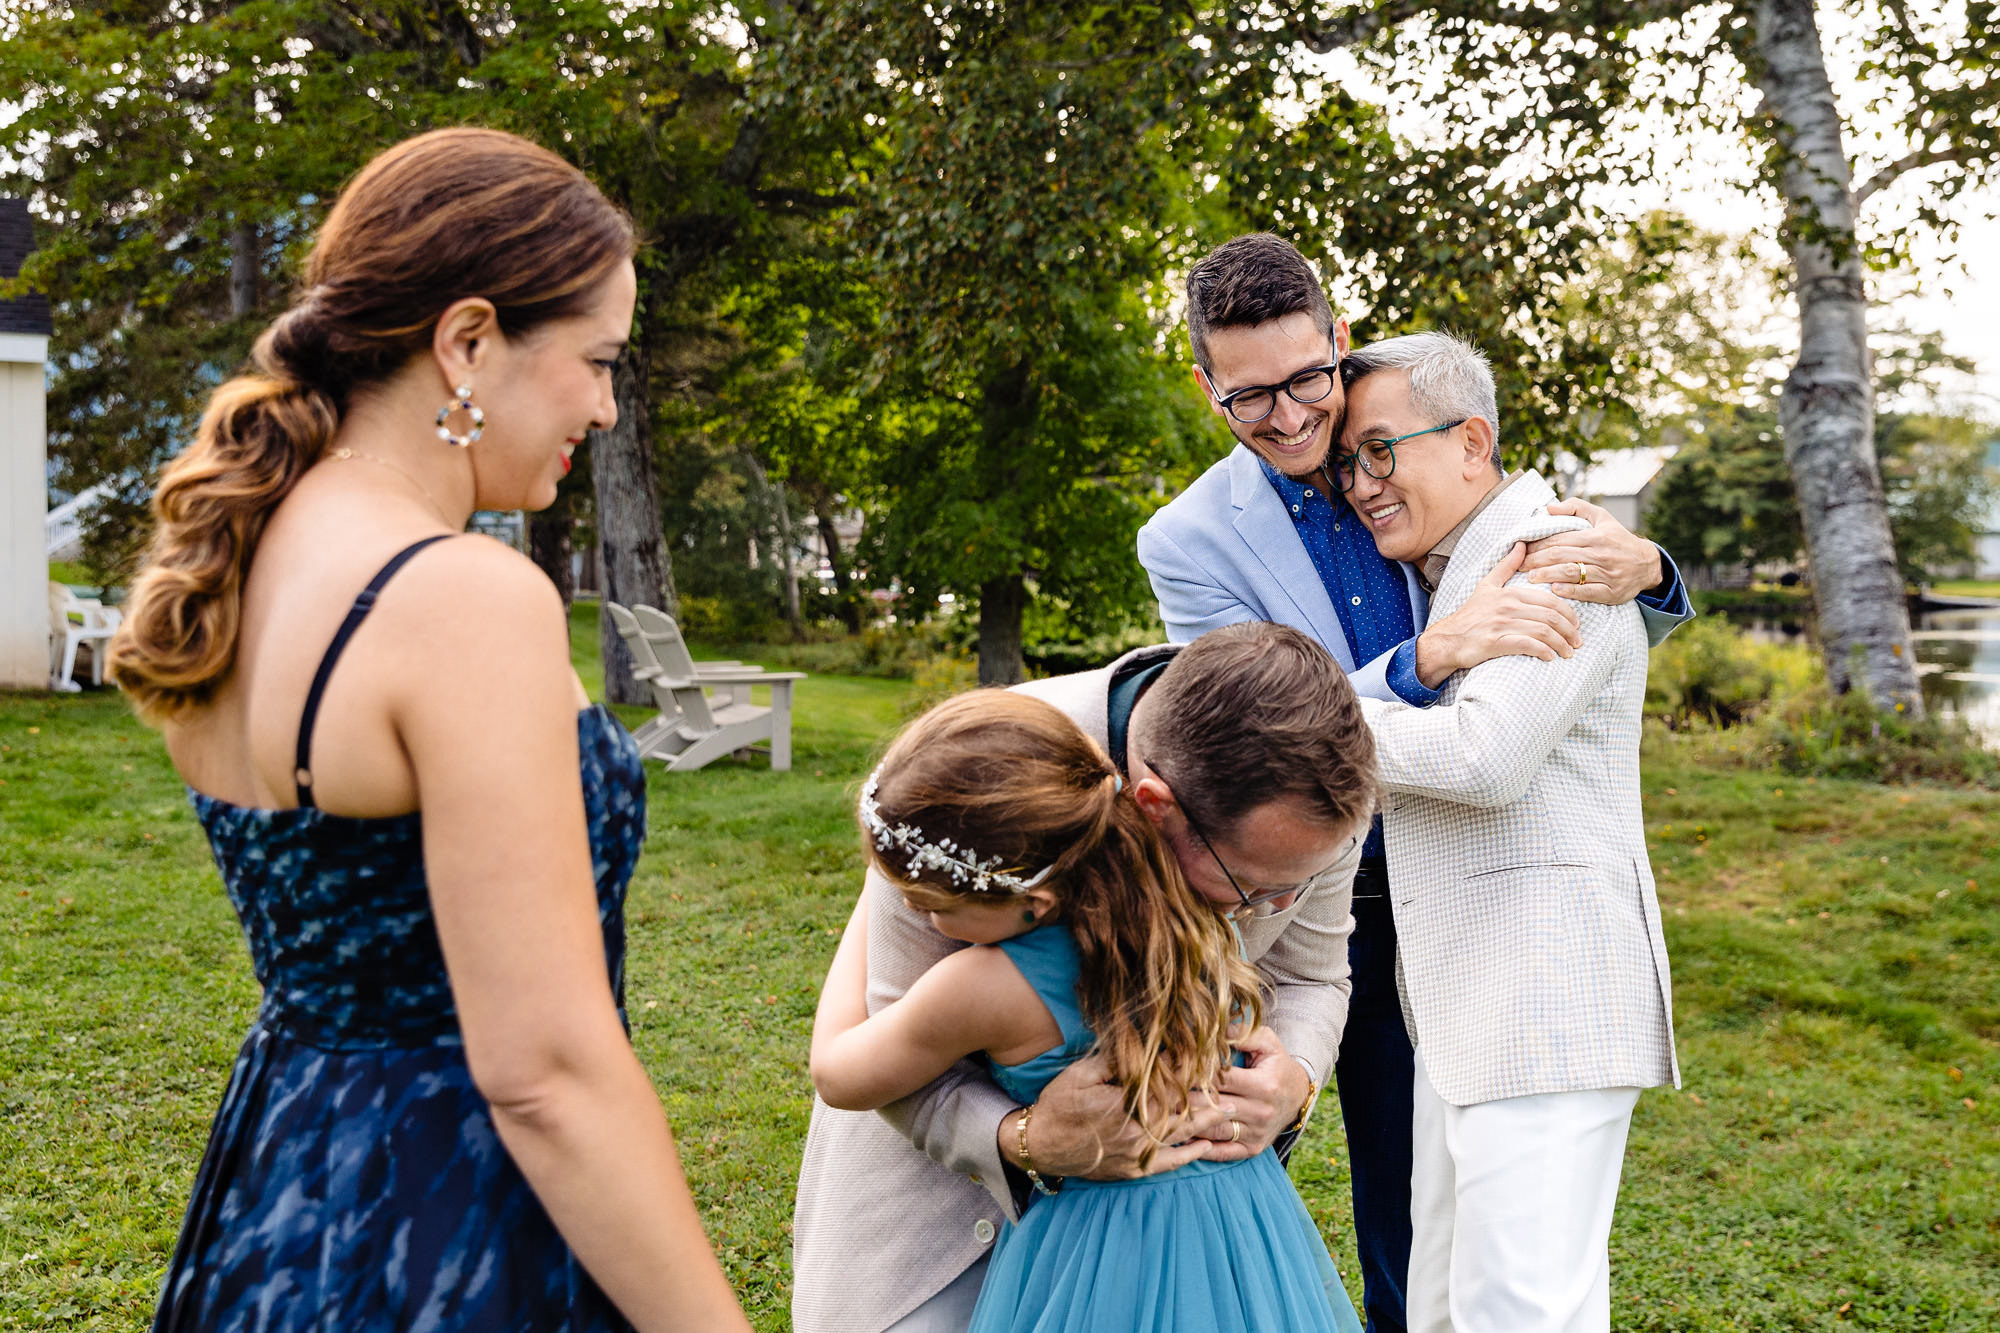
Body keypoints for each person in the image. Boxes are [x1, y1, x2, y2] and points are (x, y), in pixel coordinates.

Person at [106, 128, 750, 1332]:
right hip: (453, 1220)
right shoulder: (460, 599)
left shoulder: (238, 560)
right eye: (596, 361)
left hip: (284, 1184)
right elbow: (544, 1074)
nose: (606, 408)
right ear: (467, 342)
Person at [1135, 233, 1693, 1333]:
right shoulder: (1188, 537)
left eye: (1307, 382)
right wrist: (1422, 662)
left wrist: (1653, 571)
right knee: (1260, 1157)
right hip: (1306, 896)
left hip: (1486, 923)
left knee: (1437, 1242)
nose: (1298, 423)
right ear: (1207, 389)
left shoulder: (1399, 450)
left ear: (1335, 344)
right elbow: (1238, 725)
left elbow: (1544, 582)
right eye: (1251, 398)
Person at [794, 622, 1374, 1333]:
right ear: (1153, 809)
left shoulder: (1323, 791)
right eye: (1252, 887)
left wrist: (1295, 1081)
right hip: (945, 1202)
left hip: (1185, 1235)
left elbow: (1315, 977)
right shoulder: (974, 777)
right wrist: (1024, 1136)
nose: (1275, 907)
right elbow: (905, 1066)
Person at [1338, 331, 1677, 1332]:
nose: (1361, 484)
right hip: (1471, 1015)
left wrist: (1307, 717)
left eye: (1379, 450)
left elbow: (1486, 760)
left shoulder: (1553, 554)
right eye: (1350, 461)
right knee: (1447, 1309)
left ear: (1470, 441)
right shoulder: (1468, 566)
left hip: (1544, 1004)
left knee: (1519, 1311)